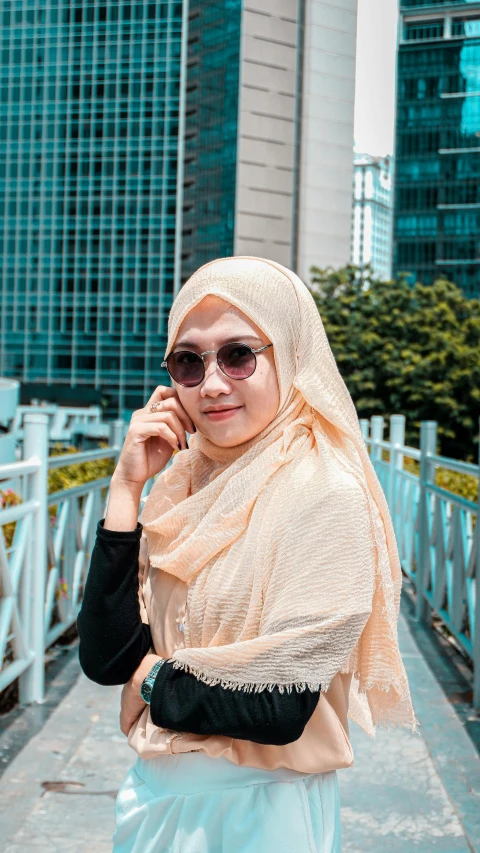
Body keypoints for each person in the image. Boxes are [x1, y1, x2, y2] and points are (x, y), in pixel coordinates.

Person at [77, 256, 416, 853]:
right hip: (153, 796)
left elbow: (279, 706)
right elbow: (106, 658)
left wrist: (149, 680)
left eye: (238, 355)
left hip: (261, 809)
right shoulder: (181, 484)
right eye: (189, 361)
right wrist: (125, 490)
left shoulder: (322, 490)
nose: (211, 384)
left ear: (288, 353)